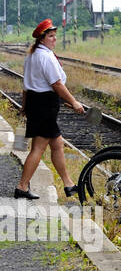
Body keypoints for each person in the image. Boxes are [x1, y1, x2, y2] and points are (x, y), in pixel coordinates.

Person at [14, 19, 85, 201]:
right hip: (45, 105)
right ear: (42, 39)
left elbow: (26, 86)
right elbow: (57, 84)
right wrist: (74, 101)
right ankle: (22, 186)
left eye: (55, 36)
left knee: (57, 144)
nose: (54, 39)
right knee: (38, 147)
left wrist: (24, 106)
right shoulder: (45, 56)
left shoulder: (32, 55)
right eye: (51, 36)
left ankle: (68, 184)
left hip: (36, 103)